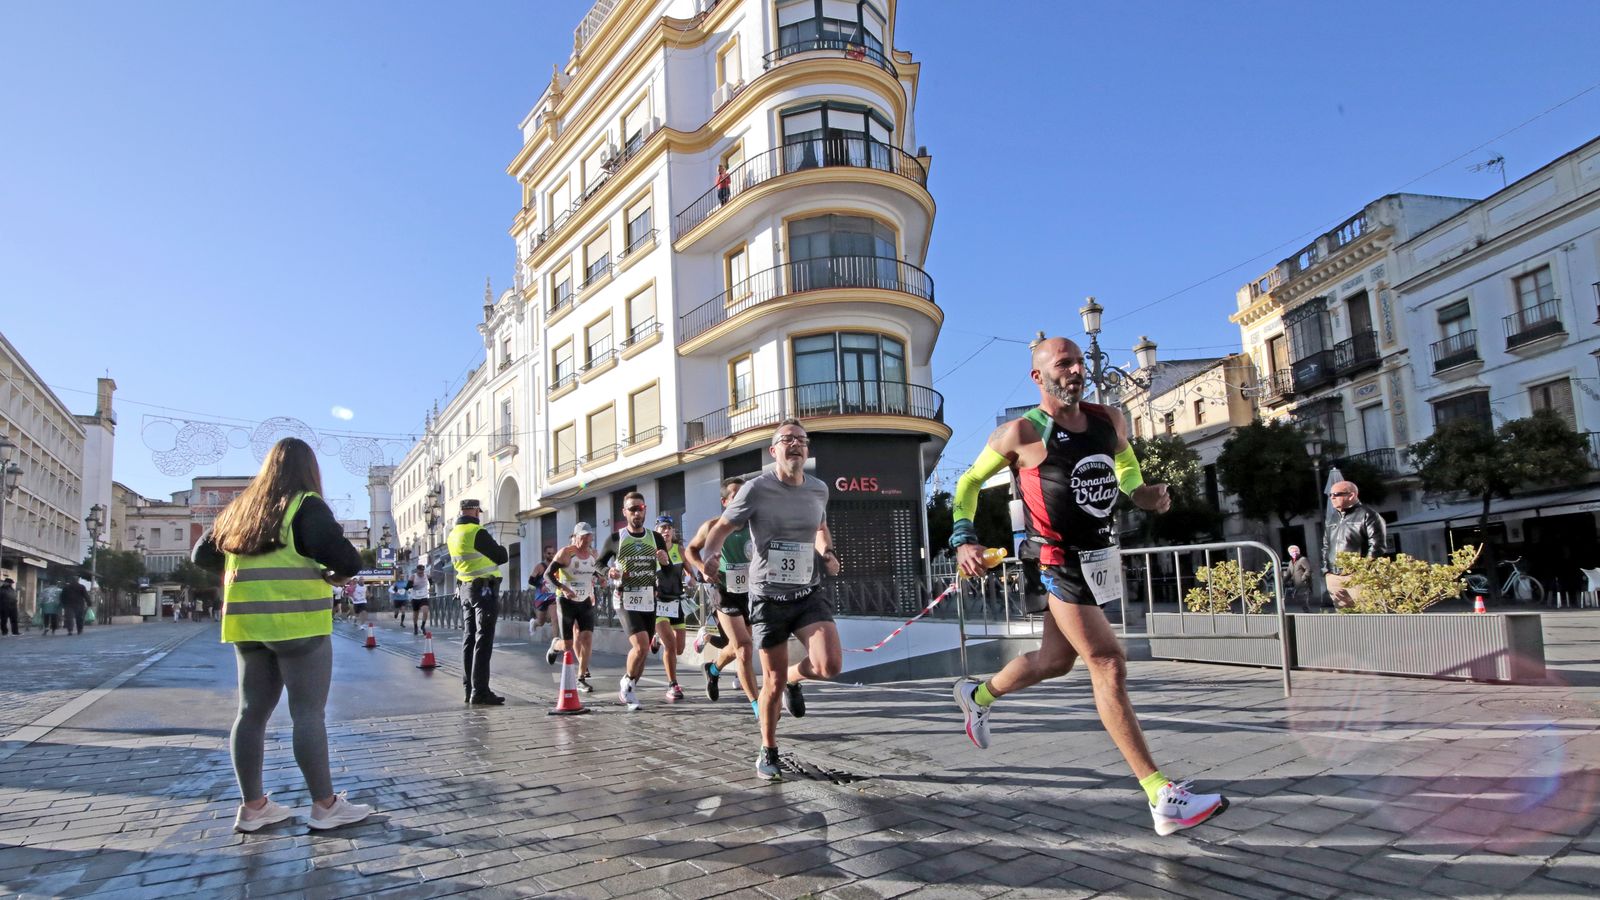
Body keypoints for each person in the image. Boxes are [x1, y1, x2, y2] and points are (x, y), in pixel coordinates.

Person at [946, 337, 1225, 836]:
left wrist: (1140, 493)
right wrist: (964, 538)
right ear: (1039, 377)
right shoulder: (1020, 433)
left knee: (1055, 662)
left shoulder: (1108, 420)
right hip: (1057, 560)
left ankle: (978, 696)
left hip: (1100, 558)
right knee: (1107, 661)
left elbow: (1124, 463)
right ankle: (1161, 795)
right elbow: (966, 485)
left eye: (1079, 362)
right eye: (1064, 364)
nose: (1077, 370)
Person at [192, 436, 372, 833]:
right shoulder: (305, 505)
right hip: (297, 623)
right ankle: (325, 806)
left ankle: (253, 807)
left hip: (246, 625)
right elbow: (347, 558)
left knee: (250, 713)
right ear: (308, 470)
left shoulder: (241, 510)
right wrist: (333, 574)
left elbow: (201, 555)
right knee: (307, 713)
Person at [699, 419, 842, 781]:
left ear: (806, 450)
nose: (795, 445)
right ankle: (768, 749)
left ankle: (798, 677)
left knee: (830, 666)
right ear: (773, 450)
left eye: (801, 440)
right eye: (787, 440)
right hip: (768, 599)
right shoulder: (755, 489)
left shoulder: (818, 489)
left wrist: (827, 553)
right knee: (772, 682)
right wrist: (711, 554)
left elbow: (820, 528)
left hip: (808, 591)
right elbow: (722, 528)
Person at [686, 477, 760, 714]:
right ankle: (758, 706)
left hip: (750, 591)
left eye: (745, 494)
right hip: (724, 591)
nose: (742, 499)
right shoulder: (712, 526)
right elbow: (690, 550)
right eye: (736, 495)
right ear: (724, 501)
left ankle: (713, 669)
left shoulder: (755, 525)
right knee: (745, 649)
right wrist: (703, 570)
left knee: (740, 647)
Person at [598, 492, 671, 710]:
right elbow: (598, 564)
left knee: (645, 650)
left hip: (648, 598)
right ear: (624, 512)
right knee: (639, 646)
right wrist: (608, 571)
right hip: (624, 597)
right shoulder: (615, 539)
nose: (637, 513)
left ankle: (629, 688)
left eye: (640, 508)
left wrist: (665, 563)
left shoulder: (655, 538)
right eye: (632, 509)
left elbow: (666, 572)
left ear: (645, 509)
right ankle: (627, 682)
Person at [450, 500, 509, 705]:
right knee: (484, 640)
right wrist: (500, 547)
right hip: (483, 590)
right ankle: (481, 691)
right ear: (475, 511)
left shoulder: (453, 534)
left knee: (469, 639)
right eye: (478, 512)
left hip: (465, 588)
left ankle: (469, 689)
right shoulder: (476, 531)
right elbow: (501, 556)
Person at [543, 523, 600, 692]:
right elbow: (547, 575)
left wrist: (600, 580)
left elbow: (594, 572)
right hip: (566, 601)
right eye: (581, 537)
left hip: (585, 600)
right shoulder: (566, 553)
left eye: (588, 536)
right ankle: (555, 645)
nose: (585, 540)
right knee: (568, 645)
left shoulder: (593, 554)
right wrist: (563, 588)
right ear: (575, 537)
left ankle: (581, 677)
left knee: (587, 637)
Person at [1323, 480, 1386, 610]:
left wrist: (1362, 570)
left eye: (1336, 494)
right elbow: (1326, 545)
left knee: (1370, 613)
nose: (1332, 497)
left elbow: (1377, 545)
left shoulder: (1368, 515)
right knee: (1345, 619)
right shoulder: (1332, 518)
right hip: (1334, 577)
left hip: (1358, 576)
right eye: (1330, 495)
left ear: (1351, 495)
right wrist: (1326, 571)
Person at [652, 515, 694, 701]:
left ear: (673, 532)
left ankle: (657, 640)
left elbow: (689, 571)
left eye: (669, 527)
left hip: (677, 602)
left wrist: (691, 578)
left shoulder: (680, 550)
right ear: (657, 533)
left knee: (679, 649)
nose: (666, 531)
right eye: (662, 528)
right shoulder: (651, 552)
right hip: (659, 603)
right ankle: (673, 684)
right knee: (670, 645)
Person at [530, 545, 557, 654]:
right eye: (549, 553)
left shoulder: (556, 566)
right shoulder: (540, 567)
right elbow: (531, 580)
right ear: (544, 554)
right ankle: (534, 623)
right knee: (541, 622)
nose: (551, 555)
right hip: (541, 598)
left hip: (552, 596)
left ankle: (555, 645)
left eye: (552, 553)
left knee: (555, 619)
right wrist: (541, 586)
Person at [1287, 545, 1313, 613]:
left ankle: (1308, 614)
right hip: (1296, 584)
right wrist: (1282, 581)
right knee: (1299, 599)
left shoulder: (1303, 559)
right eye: (1292, 552)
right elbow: (1288, 574)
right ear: (1290, 553)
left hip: (1304, 584)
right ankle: (1306, 612)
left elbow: (1308, 569)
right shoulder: (1291, 562)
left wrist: (1303, 578)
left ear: (1299, 552)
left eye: (1296, 551)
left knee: (1304, 600)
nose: (1294, 553)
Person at [410, 564, 431, 635]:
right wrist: (412, 585)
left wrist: (431, 586)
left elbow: (431, 582)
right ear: (417, 570)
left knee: (425, 611)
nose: (421, 573)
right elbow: (407, 586)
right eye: (420, 571)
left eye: (422, 571)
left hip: (424, 597)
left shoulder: (426, 576)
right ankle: (415, 626)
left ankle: (422, 626)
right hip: (415, 597)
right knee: (416, 614)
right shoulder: (413, 576)